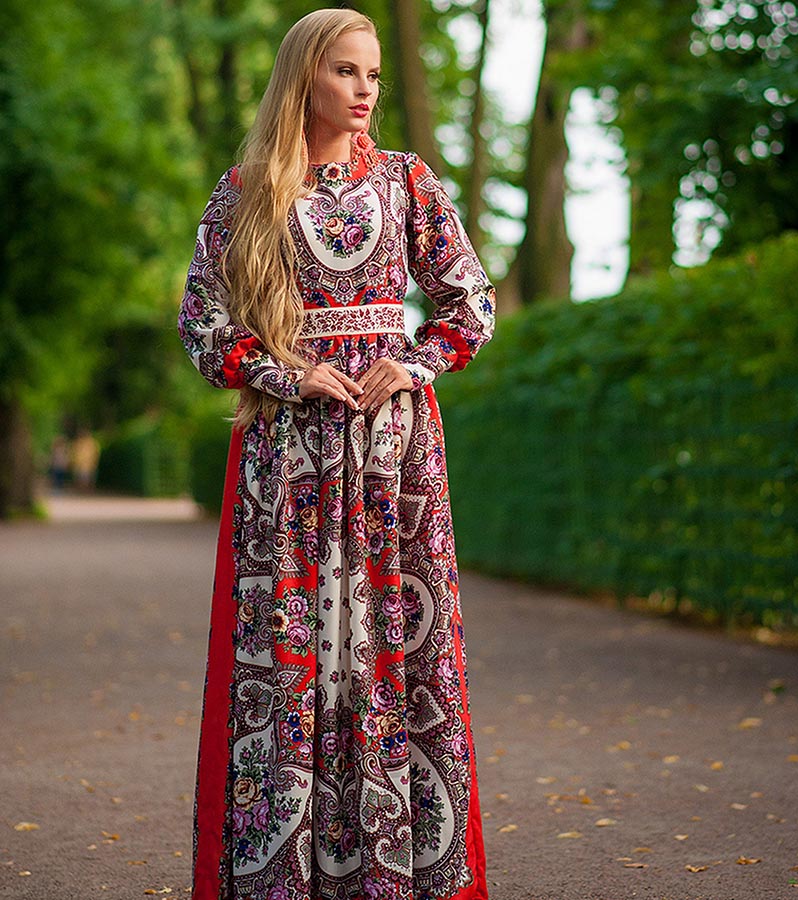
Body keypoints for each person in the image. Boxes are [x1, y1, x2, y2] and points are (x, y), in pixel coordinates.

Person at [177, 9, 495, 900]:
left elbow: (471, 302)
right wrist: (287, 375)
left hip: (394, 455)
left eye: (375, 74)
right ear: (304, 76)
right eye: (347, 71)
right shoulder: (247, 191)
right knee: (290, 656)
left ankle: (397, 872)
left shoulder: (407, 182)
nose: (365, 90)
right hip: (289, 457)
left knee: (395, 646)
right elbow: (202, 323)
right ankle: (287, 874)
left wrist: (414, 362)